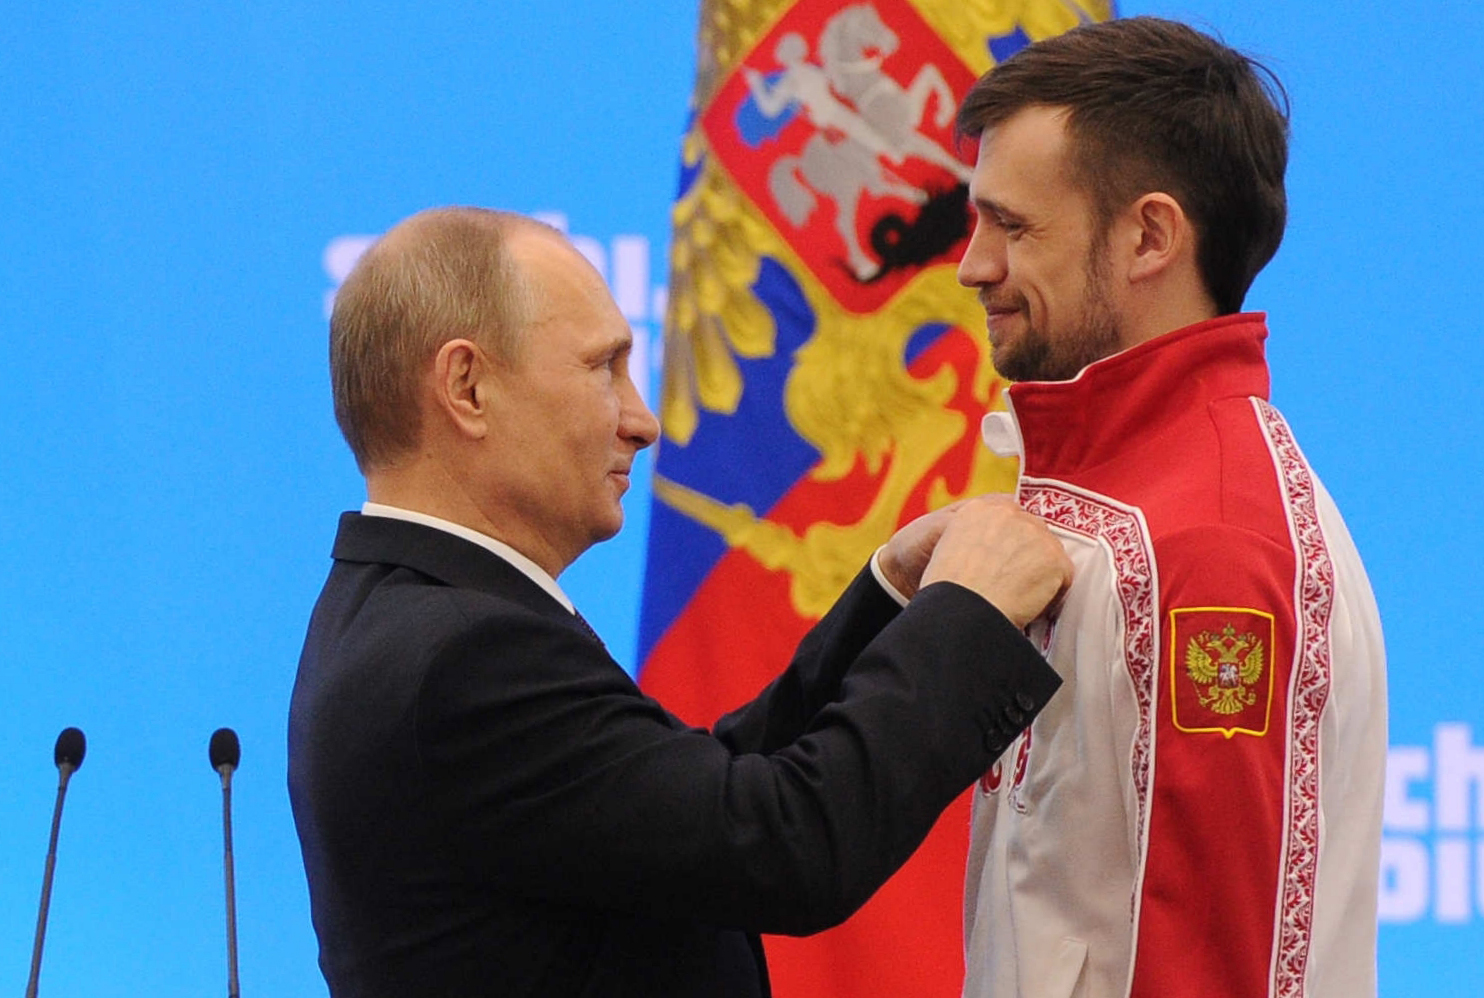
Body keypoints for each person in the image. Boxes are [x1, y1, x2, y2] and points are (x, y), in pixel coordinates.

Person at [287, 206, 1073, 998]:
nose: (643, 421)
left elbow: (702, 805)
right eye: (603, 368)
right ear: (468, 387)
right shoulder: (466, 655)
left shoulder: (395, 614)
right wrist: (966, 615)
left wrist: (890, 598)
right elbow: (785, 843)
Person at [952, 17, 1388, 998]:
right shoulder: (1129, 502)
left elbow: (1214, 967)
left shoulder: (1209, 543)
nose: (972, 265)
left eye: (1012, 226)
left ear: (1149, 236)